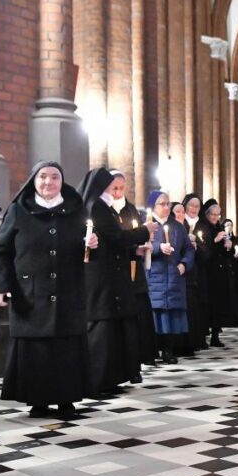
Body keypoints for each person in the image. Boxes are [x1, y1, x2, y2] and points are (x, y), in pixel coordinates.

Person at [0, 162, 94, 418]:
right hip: (30, 292)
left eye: (55, 177)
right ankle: (37, 400)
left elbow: (89, 251)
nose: (49, 182)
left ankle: (67, 400)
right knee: (36, 349)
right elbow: (1, 253)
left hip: (68, 290)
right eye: (43, 177)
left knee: (66, 347)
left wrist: (94, 243)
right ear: (33, 181)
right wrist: (1, 286)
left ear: (62, 181)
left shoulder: (76, 209)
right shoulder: (18, 210)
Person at [79, 167, 156, 396]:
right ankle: (98, 381)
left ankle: (110, 378)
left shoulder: (104, 208)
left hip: (111, 277)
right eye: (111, 187)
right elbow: (116, 237)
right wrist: (144, 231)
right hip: (101, 280)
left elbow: (113, 242)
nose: (114, 192)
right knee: (102, 330)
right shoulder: (97, 207)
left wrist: (134, 251)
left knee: (112, 330)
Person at [108, 171, 158, 367]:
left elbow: (137, 234)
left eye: (122, 188)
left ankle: (139, 357)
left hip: (134, 270)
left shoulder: (130, 210)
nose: (118, 192)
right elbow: (113, 239)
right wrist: (131, 247)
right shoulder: (104, 211)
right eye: (114, 188)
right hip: (115, 270)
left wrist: (141, 246)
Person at [145, 193, 194, 364]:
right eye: (162, 204)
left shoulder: (177, 227)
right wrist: (158, 247)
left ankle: (168, 350)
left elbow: (188, 248)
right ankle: (152, 352)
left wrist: (184, 264)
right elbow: (140, 246)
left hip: (174, 276)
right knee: (155, 314)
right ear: (153, 206)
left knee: (171, 315)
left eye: (168, 204)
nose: (166, 207)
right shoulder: (148, 225)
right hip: (154, 276)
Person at [178, 193, 209, 353]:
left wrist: (198, 247)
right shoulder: (180, 223)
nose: (194, 209)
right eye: (191, 205)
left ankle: (198, 338)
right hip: (183, 270)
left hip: (199, 270)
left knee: (198, 305)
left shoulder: (203, 225)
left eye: (197, 206)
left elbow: (208, 250)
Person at [200, 200, 234, 347]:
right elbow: (204, 249)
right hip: (208, 272)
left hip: (220, 273)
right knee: (207, 305)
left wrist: (228, 246)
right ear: (207, 214)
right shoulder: (202, 227)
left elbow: (226, 252)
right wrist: (215, 240)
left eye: (218, 215)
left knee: (219, 304)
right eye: (213, 214)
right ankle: (203, 336)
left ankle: (215, 336)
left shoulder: (219, 227)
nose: (215, 217)